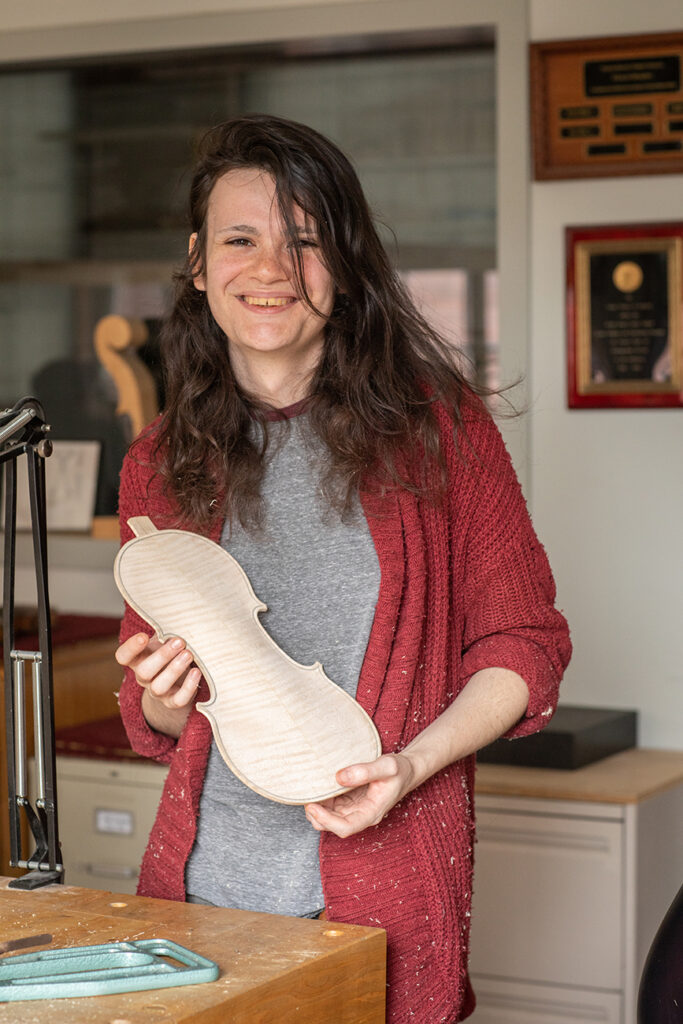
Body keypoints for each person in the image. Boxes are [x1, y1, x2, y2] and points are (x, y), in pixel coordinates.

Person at [115, 113, 571, 1024]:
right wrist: (165, 686)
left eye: (306, 241)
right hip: (196, 908)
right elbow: (158, 717)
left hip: (376, 906)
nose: (273, 270)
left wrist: (408, 767)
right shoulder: (160, 461)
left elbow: (524, 648)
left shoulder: (439, 436)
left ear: (346, 265)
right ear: (199, 264)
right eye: (241, 239)